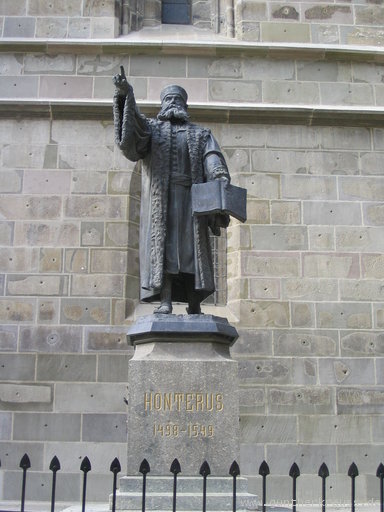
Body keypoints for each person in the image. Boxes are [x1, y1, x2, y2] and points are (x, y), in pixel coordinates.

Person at [113, 68, 231, 314]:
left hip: (192, 201)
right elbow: (133, 130)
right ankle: (165, 300)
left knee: (192, 253)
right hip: (162, 201)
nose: (173, 103)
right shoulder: (153, 130)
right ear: (162, 104)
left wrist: (218, 174)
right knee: (165, 250)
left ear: (184, 105)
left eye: (177, 99)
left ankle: (194, 302)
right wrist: (126, 94)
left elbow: (212, 158)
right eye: (168, 99)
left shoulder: (200, 133)